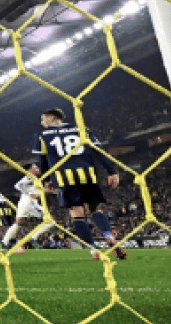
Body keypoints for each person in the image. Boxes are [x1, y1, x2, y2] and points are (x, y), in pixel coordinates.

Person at [31, 108, 126, 260]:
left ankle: (93, 249)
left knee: (77, 214)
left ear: (53, 118)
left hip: (64, 178)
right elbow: (98, 151)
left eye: (43, 119)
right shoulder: (83, 129)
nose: (42, 123)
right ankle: (109, 237)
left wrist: (45, 180)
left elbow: (42, 160)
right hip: (87, 174)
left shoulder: (41, 134)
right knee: (96, 209)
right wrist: (111, 171)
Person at [9, 165, 56, 253]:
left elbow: (39, 192)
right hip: (31, 204)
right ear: (30, 170)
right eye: (36, 167)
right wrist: (30, 194)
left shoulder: (36, 179)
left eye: (38, 167)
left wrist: (47, 191)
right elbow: (17, 186)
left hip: (33, 204)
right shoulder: (28, 178)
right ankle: (32, 238)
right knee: (51, 221)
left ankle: (8, 241)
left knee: (20, 223)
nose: (38, 169)